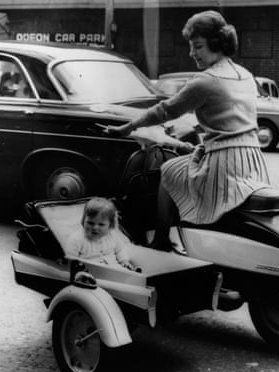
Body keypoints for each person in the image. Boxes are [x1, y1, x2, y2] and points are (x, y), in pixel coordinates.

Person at [110, 10, 270, 251]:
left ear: (216, 44)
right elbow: (231, 114)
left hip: (224, 164)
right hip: (253, 162)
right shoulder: (245, 75)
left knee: (168, 170)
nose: (191, 53)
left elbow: (164, 110)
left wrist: (129, 127)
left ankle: (162, 240)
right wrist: (195, 126)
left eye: (198, 47)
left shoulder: (205, 80)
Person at [66, 197, 135, 270]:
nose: (95, 228)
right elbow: (70, 260)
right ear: (83, 221)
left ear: (110, 225)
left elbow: (120, 249)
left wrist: (124, 261)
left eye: (101, 224)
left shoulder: (112, 235)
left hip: (114, 269)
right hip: (90, 272)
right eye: (90, 223)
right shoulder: (77, 239)